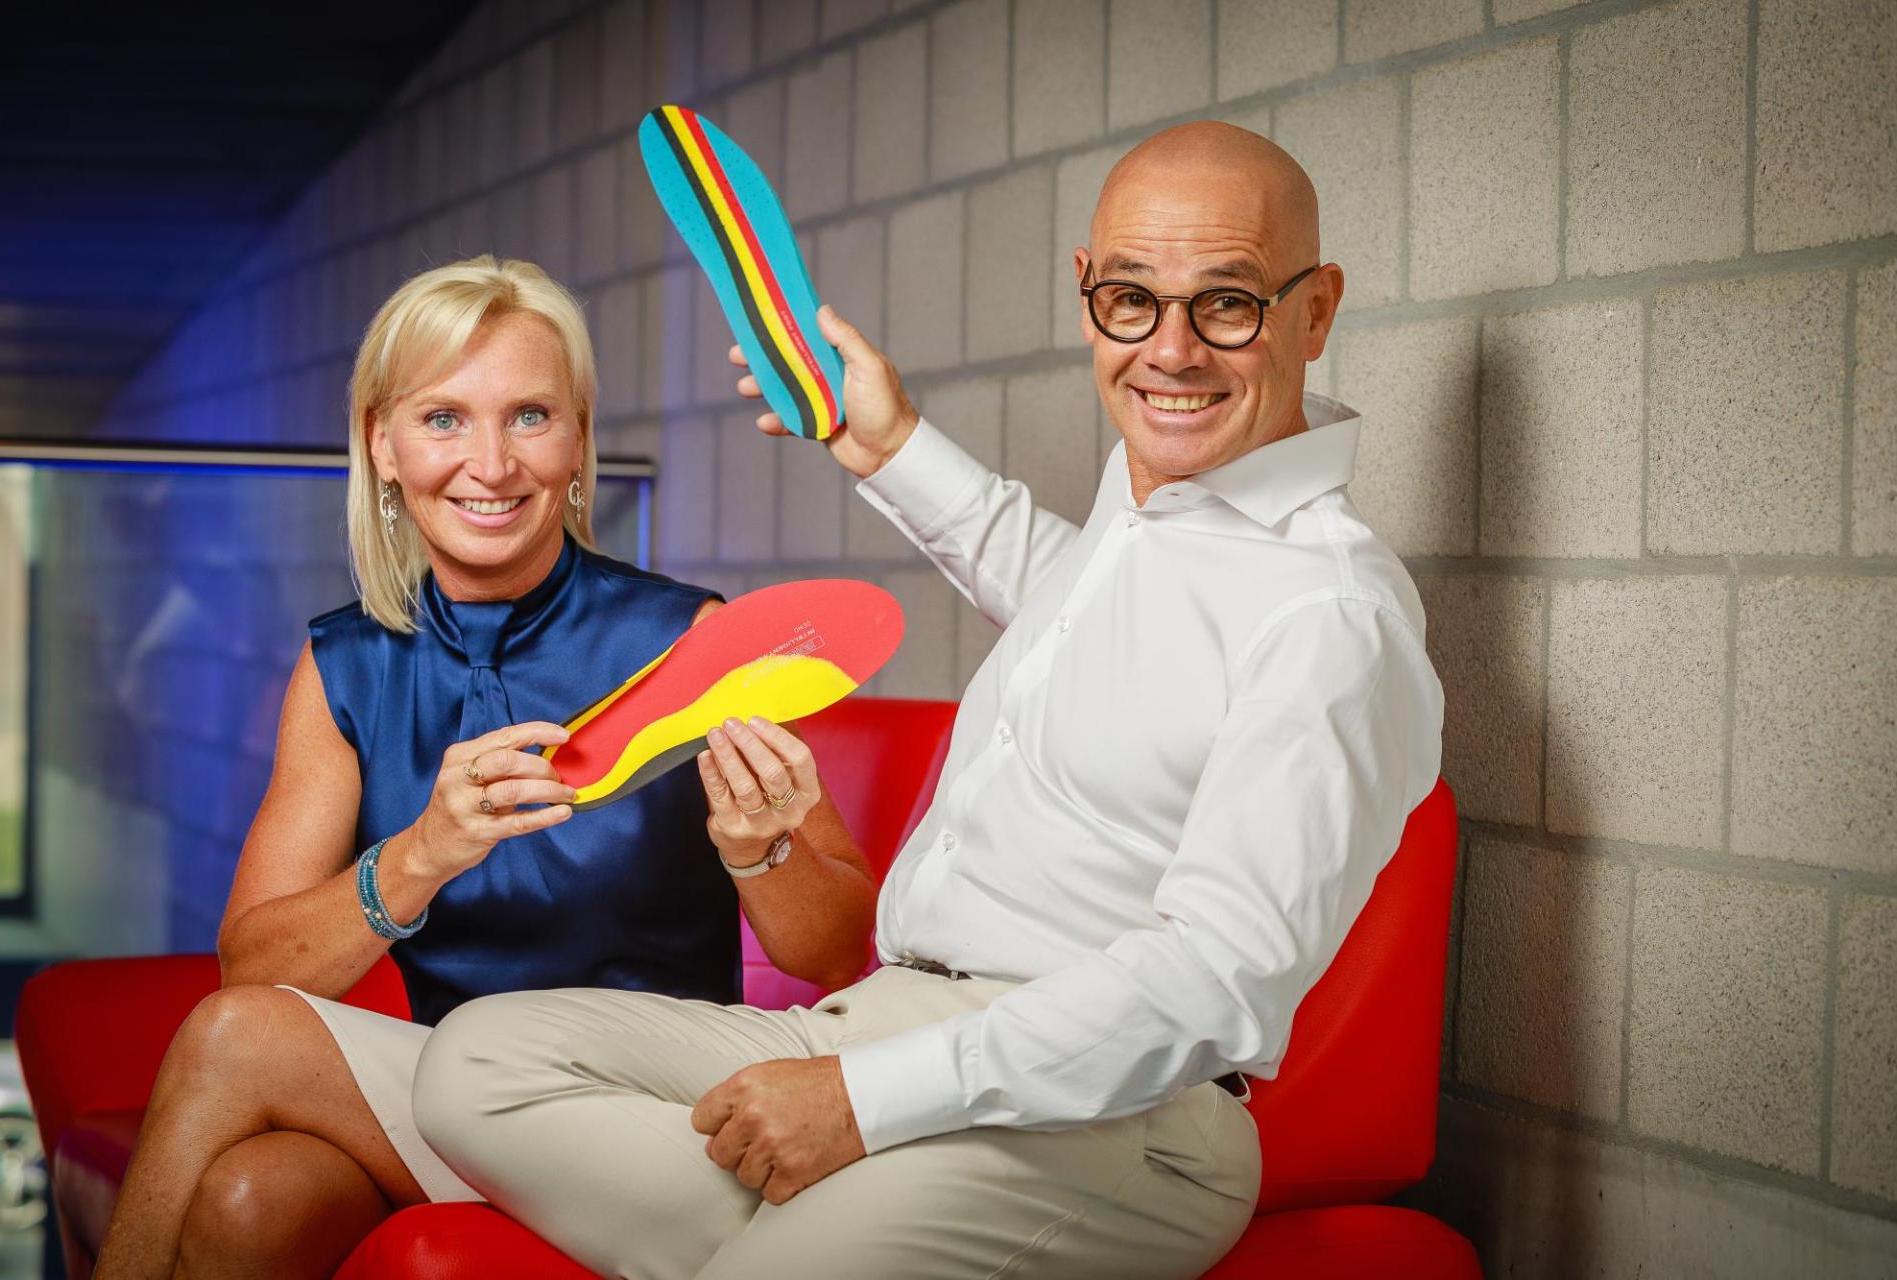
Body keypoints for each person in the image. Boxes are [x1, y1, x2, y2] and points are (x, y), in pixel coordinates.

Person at [406, 121, 1446, 1280]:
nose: (1172, 349)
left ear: (1316, 309)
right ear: (1087, 293)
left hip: (1114, 1121)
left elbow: (1212, 981)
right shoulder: (1162, 503)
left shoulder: (1328, 613)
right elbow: (1061, 592)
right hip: (890, 1016)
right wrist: (887, 442)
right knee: (473, 1063)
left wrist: (861, 1102)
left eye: (1229, 303)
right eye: (1131, 300)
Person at [91, 256, 880, 1279]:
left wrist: (758, 848)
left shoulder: (687, 640)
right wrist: (421, 854)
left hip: (646, 1107)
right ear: (382, 444)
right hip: (454, 1101)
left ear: (578, 438)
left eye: (530, 416)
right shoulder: (344, 664)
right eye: (444, 419)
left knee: (238, 1037)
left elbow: (838, 950)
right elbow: (258, 962)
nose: (493, 464)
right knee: (252, 1202)